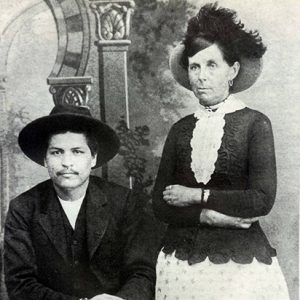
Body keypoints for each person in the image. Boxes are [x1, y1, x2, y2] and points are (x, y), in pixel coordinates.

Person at [152, 3, 290, 300]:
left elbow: (261, 200)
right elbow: (159, 204)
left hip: (239, 267)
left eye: (211, 65)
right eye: (194, 66)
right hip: (180, 264)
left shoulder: (255, 123)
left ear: (233, 71)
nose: (201, 76)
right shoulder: (180, 130)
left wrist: (197, 196)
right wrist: (210, 217)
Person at [4, 104, 155, 300]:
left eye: (77, 151)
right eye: (57, 152)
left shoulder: (126, 202)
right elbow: (20, 284)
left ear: (93, 158)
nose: (67, 162)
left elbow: (142, 273)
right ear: (45, 159)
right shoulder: (23, 208)